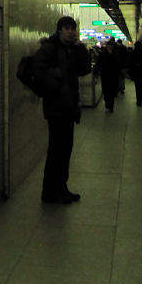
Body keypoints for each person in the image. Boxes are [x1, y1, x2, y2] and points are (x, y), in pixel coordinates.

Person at [30, 15, 91, 204]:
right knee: (56, 150)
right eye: (67, 28)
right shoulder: (50, 48)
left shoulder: (72, 50)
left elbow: (84, 69)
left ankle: (61, 188)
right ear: (59, 30)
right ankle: (49, 192)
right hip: (56, 108)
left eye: (73, 28)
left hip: (69, 107)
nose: (71, 31)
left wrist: (80, 47)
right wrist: (54, 87)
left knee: (66, 150)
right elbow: (36, 71)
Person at [96, 39, 122, 112]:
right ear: (107, 46)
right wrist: (97, 71)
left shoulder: (115, 54)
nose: (110, 47)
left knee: (111, 90)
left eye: (111, 46)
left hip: (113, 75)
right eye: (109, 46)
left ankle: (111, 106)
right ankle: (107, 102)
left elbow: (118, 64)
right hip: (105, 75)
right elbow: (99, 62)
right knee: (105, 90)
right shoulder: (103, 53)